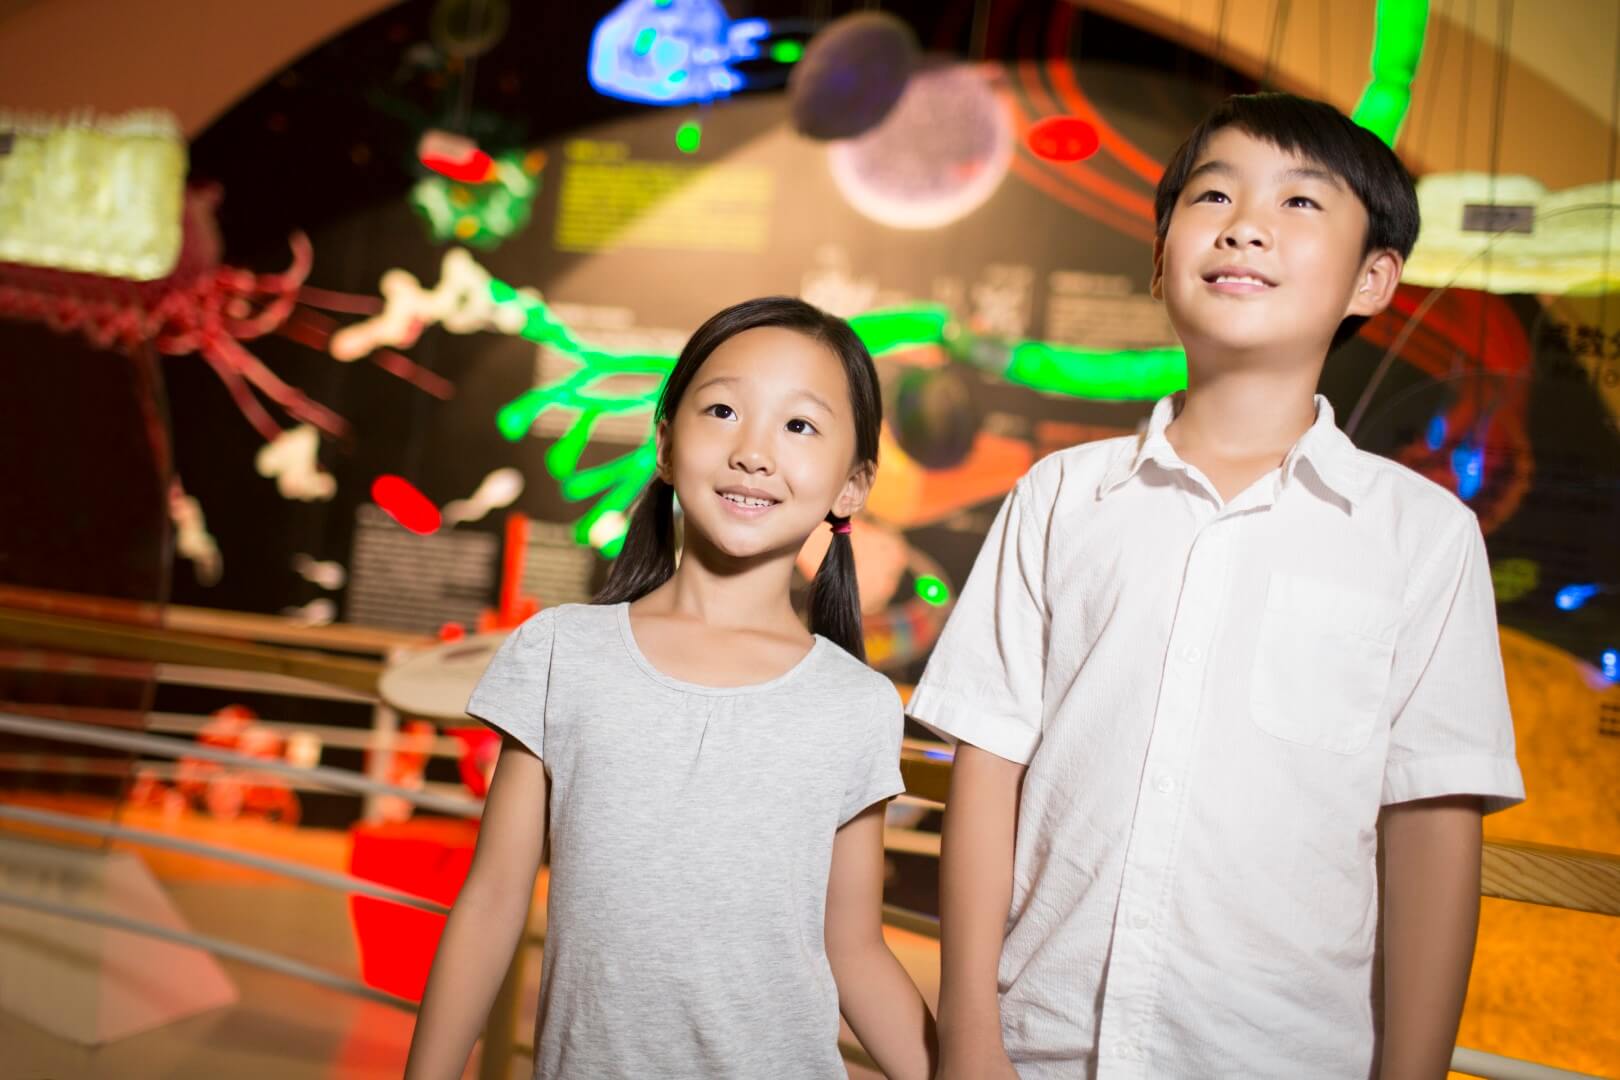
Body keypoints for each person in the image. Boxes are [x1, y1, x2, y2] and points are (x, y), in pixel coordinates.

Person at [914, 93, 1525, 1080]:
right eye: (1212, 194)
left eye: (1300, 204)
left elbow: (1432, 830)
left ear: (1374, 280)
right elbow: (989, 768)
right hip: (1040, 1050)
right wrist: (972, 1035)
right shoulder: (1061, 496)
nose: (1246, 221)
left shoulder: (1425, 538)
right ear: (1159, 260)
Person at [403, 296, 935, 1080]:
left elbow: (853, 950)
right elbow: (489, 906)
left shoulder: (853, 704)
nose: (754, 451)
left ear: (852, 487)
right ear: (663, 439)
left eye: (799, 426)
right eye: (722, 409)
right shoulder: (562, 653)